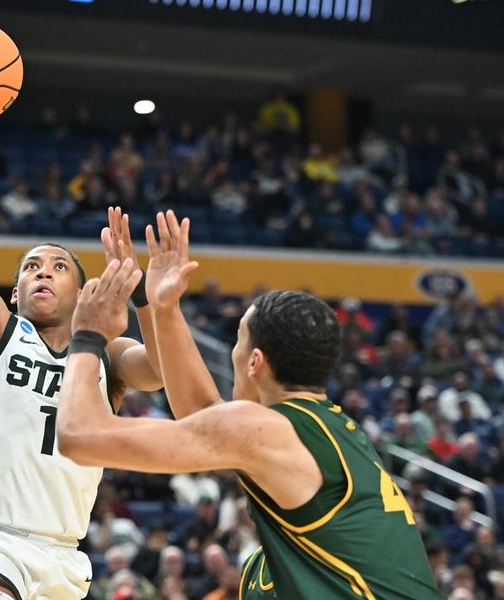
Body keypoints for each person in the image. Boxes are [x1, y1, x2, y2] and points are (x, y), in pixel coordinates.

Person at [57, 210, 442, 599]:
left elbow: (79, 436)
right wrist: (162, 308)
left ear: (255, 361)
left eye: (239, 341)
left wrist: (88, 334)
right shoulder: (330, 430)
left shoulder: (270, 430)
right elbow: (206, 418)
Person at [0, 32, 162, 600]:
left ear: (82, 287)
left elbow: (161, 370)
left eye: (58, 266)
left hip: (64, 555)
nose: (42, 272)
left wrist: (147, 298)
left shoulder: (105, 357)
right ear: (15, 293)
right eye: (30, 267)